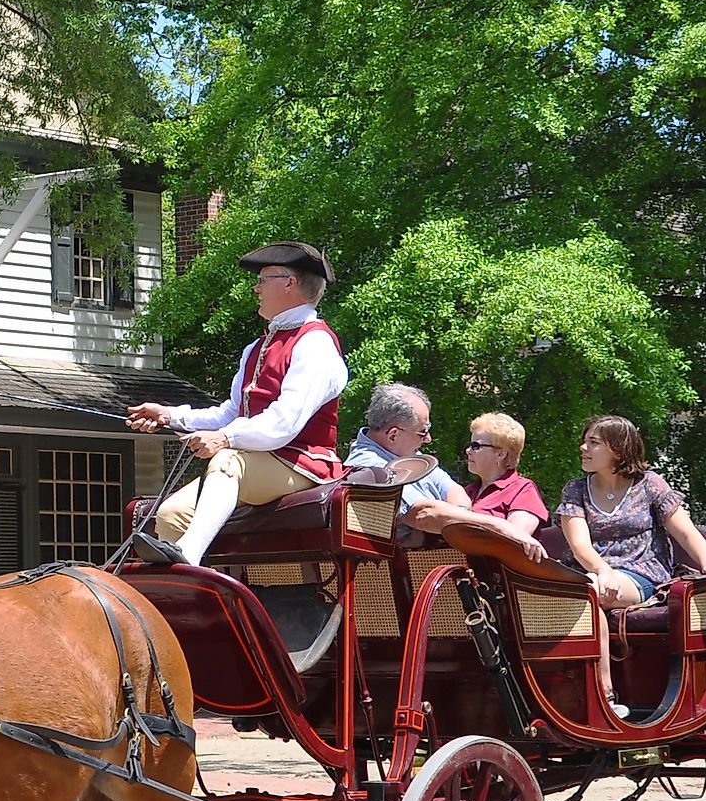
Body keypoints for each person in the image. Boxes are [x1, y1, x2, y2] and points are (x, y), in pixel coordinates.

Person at [126, 241, 347, 568]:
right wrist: (168, 415)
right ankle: (197, 607)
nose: (256, 288)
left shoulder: (315, 343)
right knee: (170, 515)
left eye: (263, 279)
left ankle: (189, 554)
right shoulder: (256, 348)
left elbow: (283, 424)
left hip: (303, 465)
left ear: (290, 283)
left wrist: (226, 439)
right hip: (257, 464)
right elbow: (230, 414)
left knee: (229, 462)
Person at [556, 415, 706, 609]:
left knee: (591, 590)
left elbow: (685, 532)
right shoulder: (575, 489)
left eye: (593, 442)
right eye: (584, 441)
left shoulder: (650, 484)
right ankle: (600, 640)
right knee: (583, 589)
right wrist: (603, 571)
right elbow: (580, 545)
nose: (583, 447)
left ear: (618, 449)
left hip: (639, 572)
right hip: (588, 572)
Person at [410, 411, 545, 549]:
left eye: (476, 446)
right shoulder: (466, 493)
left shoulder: (523, 490)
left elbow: (514, 542)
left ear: (501, 454)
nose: (468, 450)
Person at [343, 384, 470, 519]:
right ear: (393, 435)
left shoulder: (406, 452)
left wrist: (460, 514)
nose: (428, 439)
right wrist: (492, 525)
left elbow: (454, 490)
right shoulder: (369, 469)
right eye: (423, 432)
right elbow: (423, 513)